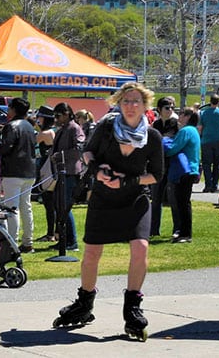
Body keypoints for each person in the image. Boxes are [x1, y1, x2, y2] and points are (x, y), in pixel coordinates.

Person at [54, 82, 163, 340]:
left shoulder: (153, 137)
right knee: (92, 253)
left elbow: (156, 175)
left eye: (136, 101)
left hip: (135, 198)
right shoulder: (106, 127)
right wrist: (97, 171)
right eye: (126, 101)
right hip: (103, 198)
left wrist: (128, 181)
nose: (131, 105)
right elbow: (87, 152)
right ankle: (84, 303)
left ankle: (132, 308)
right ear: (119, 103)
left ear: (145, 105)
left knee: (141, 248)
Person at [0, 98, 37, 252]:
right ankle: (28, 241)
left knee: (12, 208)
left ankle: (11, 243)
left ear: (13, 109)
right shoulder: (30, 127)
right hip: (29, 170)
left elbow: (6, 147)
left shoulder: (11, 126)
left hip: (13, 171)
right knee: (26, 207)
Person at [50, 102, 85, 253]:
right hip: (61, 172)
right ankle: (63, 240)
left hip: (70, 172)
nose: (56, 118)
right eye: (55, 116)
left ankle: (72, 241)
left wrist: (60, 155)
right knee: (59, 206)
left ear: (66, 114)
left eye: (58, 115)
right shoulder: (62, 129)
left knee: (65, 207)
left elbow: (79, 149)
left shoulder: (74, 128)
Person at [164, 107, 201, 243]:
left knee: (182, 204)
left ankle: (185, 233)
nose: (179, 116)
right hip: (191, 170)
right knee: (183, 203)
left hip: (185, 171)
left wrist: (165, 144)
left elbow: (173, 148)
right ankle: (184, 232)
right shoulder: (194, 131)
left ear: (187, 116)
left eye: (181, 113)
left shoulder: (186, 131)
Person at [149, 97, 178, 238]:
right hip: (158, 166)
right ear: (159, 110)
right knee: (156, 199)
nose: (170, 110)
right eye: (167, 107)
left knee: (173, 199)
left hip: (172, 165)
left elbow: (171, 142)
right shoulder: (156, 124)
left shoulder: (175, 124)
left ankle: (177, 229)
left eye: (172, 107)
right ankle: (154, 229)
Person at [198, 94, 219, 193]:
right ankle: (215, 185)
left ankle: (208, 185)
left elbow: (200, 128)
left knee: (206, 164)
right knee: (217, 164)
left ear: (210, 101)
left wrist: (198, 139)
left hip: (206, 141)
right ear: (218, 101)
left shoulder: (203, 113)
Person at [34, 105, 57, 243]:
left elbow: (33, 143)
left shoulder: (44, 133)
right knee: (52, 203)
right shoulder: (53, 132)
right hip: (51, 169)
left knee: (49, 204)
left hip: (46, 169)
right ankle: (54, 232)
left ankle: (50, 233)